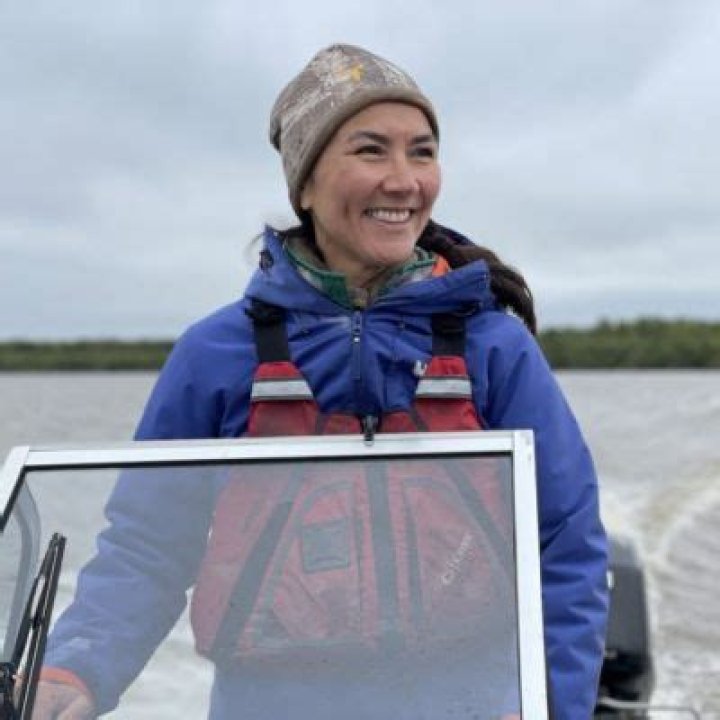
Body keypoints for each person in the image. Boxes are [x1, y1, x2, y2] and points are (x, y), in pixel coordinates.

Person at [34, 44, 608, 719]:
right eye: (371, 151)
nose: (404, 181)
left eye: (422, 153)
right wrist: (74, 668)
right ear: (304, 185)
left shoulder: (494, 347)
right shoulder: (215, 355)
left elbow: (567, 547)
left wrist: (547, 703)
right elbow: (147, 549)